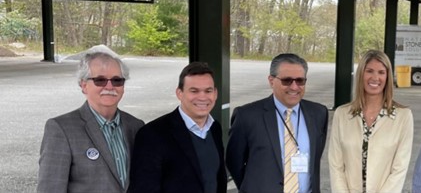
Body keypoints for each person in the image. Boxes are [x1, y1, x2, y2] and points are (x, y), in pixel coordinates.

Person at [37, 45, 144, 193]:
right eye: (100, 80)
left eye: (117, 80)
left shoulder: (136, 126)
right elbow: (50, 188)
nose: (109, 86)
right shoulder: (61, 129)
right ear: (84, 85)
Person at [226, 53, 329, 193]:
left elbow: (315, 158)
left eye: (300, 81)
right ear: (271, 81)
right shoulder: (246, 116)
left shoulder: (318, 113)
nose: (294, 87)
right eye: (287, 80)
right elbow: (234, 162)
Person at [129, 62, 227, 193]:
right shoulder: (152, 134)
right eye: (194, 91)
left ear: (215, 94)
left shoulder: (215, 129)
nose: (202, 97)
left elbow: (218, 180)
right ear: (179, 93)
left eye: (208, 91)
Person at [329, 49, 414, 192]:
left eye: (381, 72)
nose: (375, 77)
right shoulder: (342, 114)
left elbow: (399, 168)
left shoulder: (403, 116)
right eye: (369, 71)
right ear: (361, 74)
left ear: (387, 77)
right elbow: (336, 165)